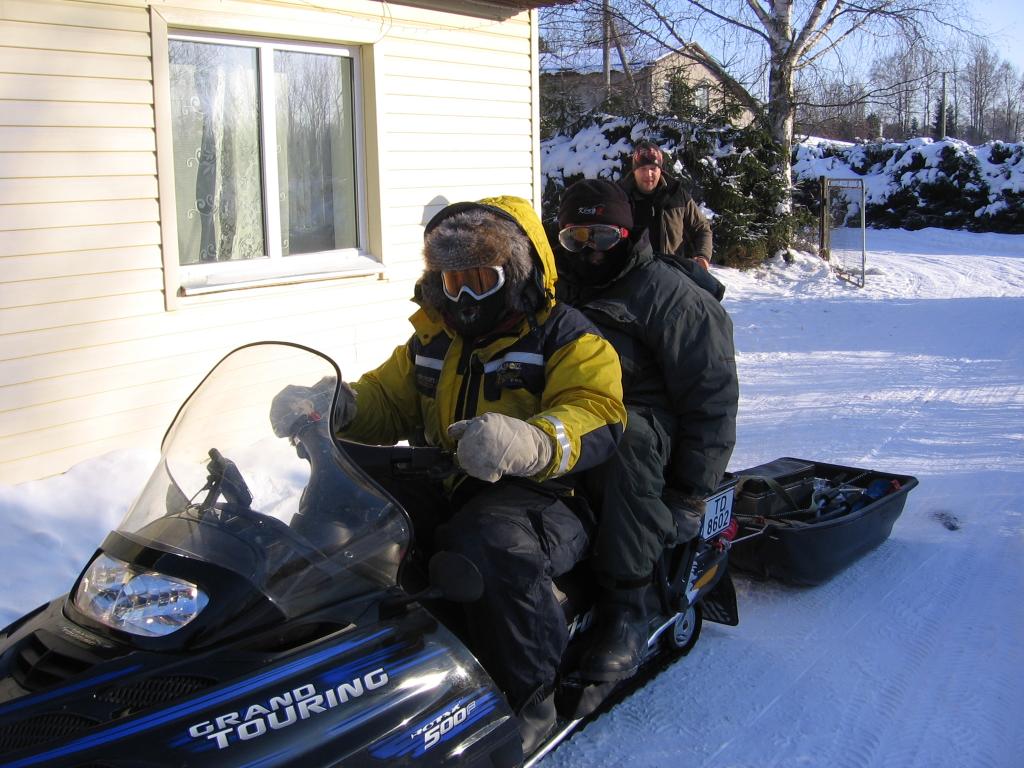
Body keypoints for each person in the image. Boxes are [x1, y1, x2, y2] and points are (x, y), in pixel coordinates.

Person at [278, 196, 626, 754]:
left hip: (546, 494)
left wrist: (532, 441)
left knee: (489, 544)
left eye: (480, 280)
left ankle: (529, 696)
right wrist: (335, 404)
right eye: (452, 280)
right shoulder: (433, 339)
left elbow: (596, 410)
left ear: (518, 273)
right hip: (447, 478)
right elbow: (386, 399)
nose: (463, 298)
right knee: (345, 501)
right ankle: (320, 651)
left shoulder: (567, 336)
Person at [555, 178, 738, 682]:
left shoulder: (671, 298)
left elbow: (712, 400)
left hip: (649, 430)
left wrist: (690, 494)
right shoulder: (558, 286)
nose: (589, 251)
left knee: (624, 437)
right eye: (575, 238)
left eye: (602, 237)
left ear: (626, 234)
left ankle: (628, 604)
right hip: (573, 413)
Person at [619, 139, 714, 270]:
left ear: (660, 170)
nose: (648, 174)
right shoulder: (620, 197)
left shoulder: (677, 194)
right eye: (643, 168)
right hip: (632, 273)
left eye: (653, 168)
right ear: (634, 170)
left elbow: (701, 228)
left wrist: (703, 256)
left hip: (672, 272)